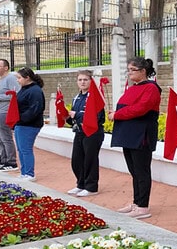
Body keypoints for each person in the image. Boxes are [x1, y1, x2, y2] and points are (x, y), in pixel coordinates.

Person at [109, 57, 161, 219]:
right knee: (134, 171)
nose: (129, 73)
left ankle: (143, 206)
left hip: (141, 134)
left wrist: (117, 115)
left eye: (133, 70)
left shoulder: (151, 88)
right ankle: (136, 202)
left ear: (143, 71)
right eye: (129, 70)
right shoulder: (134, 88)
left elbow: (140, 109)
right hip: (129, 134)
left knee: (142, 171)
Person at [66, 70, 105, 197]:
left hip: (93, 133)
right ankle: (80, 184)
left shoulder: (94, 97)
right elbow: (73, 118)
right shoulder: (76, 98)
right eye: (80, 80)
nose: (82, 82)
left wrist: (76, 115)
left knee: (90, 160)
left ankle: (91, 187)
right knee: (77, 160)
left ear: (91, 81)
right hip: (79, 131)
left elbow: (97, 116)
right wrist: (67, 117)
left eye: (85, 80)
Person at [13, 67, 45, 181]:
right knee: (21, 149)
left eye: (19, 78)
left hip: (29, 125)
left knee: (26, 149)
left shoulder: (35, 90)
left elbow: (35, 109)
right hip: (20, 123)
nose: (18, 80)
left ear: (27, 78)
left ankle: (30, 173)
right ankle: (24, 171)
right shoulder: (24, 88)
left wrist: (21, 118)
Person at [0, 59, 20, 171]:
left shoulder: (11, 78)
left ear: (6, 67)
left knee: (6, 137)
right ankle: (4, 160)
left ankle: (11, 162)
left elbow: (16, 93)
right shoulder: (2, 80)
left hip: (5, 112)